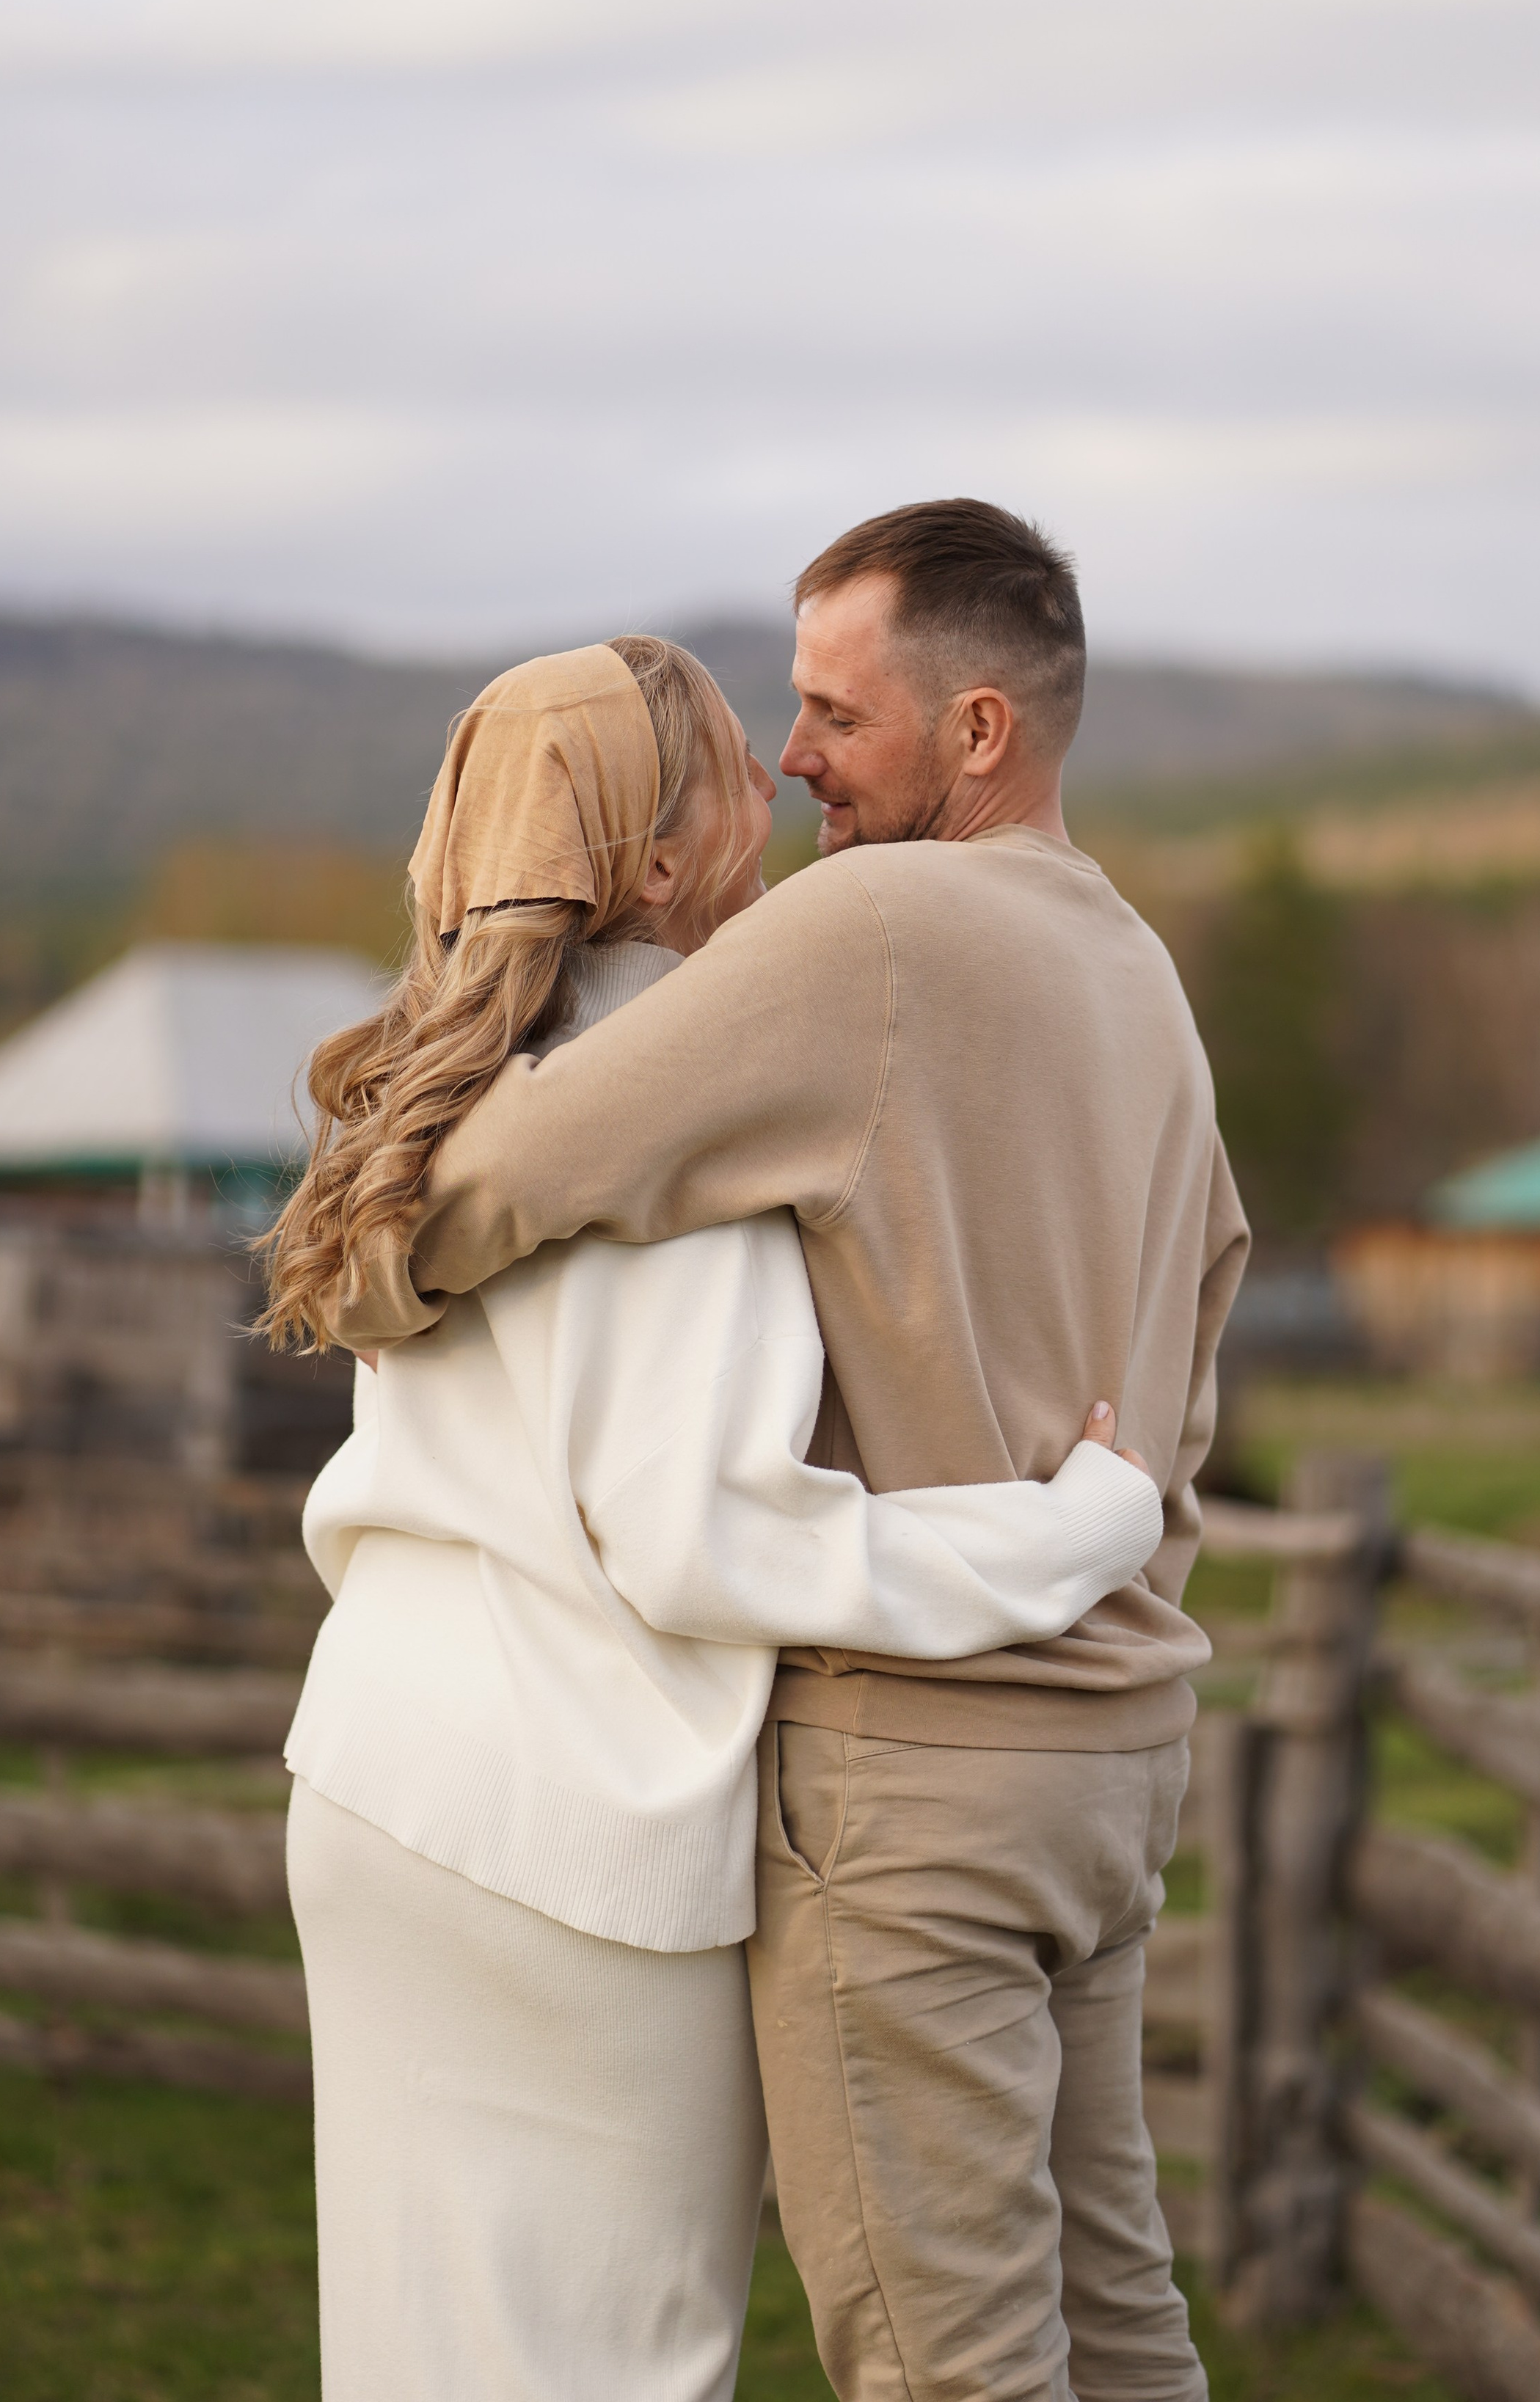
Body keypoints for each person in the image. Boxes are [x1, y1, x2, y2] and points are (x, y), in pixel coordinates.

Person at [325, 504, 1247, 2402]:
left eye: (833, 711)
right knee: (1118, 2314)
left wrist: (371, 1242)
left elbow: (514, 1170)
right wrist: (1110, 1523)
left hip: (918, 1767)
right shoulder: (1142, 973)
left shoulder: (873, 925)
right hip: (1120, 1749)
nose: (794, 754)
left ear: (979, 731)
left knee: (949, 2360)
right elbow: (1205, 1307)